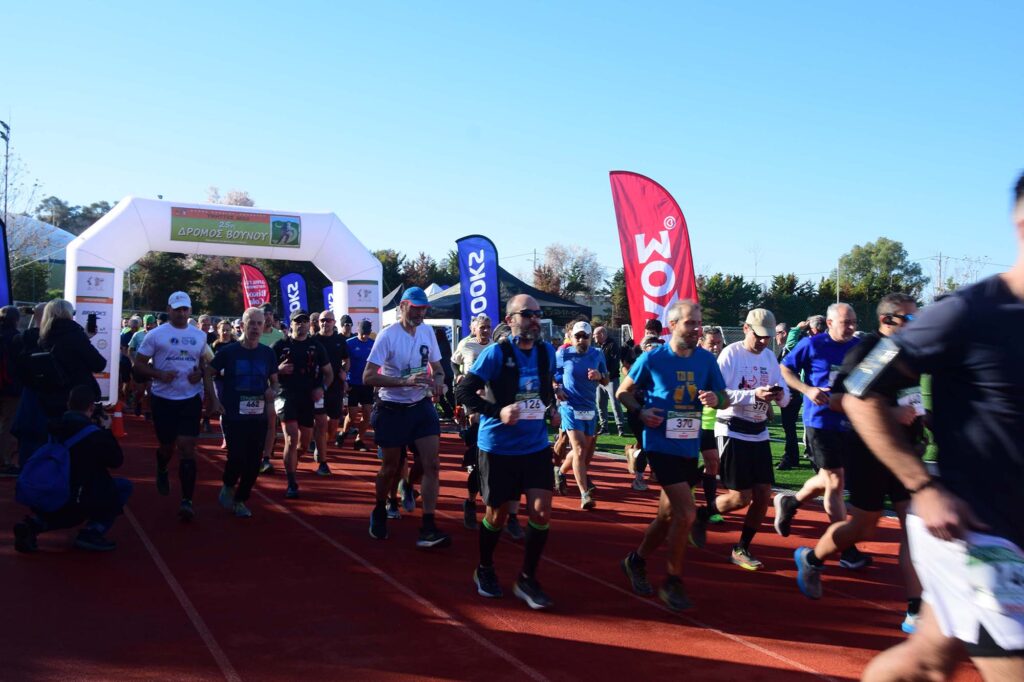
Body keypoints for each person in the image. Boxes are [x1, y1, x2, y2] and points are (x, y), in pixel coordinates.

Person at [843, 173, 1024, 682]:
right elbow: (860, 390)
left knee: (927, 661)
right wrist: (921, 486)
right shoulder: (967, 313)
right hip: (976, 528)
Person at [793, 295, 924, 624]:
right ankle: (813, 558)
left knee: (912, 524)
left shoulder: (909, 353)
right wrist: (892, 413)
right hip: (869, 450)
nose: (916, 325)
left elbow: (911, 400)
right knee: (864, 526)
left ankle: (915, 608)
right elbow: (840, 400)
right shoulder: (876, 352)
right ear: (887, 320)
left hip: (904, 452)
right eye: (909, 319)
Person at [617, 301, 727, 611]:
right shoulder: (653, 358)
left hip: (688, 447)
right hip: (660, 445)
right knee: (687, 513)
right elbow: (623, 391)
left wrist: (715, 398)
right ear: (673, 325)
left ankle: (635, 560)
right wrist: (641, 411)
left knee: (667, 517)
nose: (697, 329)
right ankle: (673, 581)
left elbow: (724, 398)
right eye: (690, 323)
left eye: (699, 323)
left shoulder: (706, 360)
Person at [456, 294, 559, 609]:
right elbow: (462, 390)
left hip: (535, 446)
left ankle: (527, 578)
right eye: (527, 314)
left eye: (538, 314)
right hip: (498, 447)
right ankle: (484, 567)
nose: (534, 320)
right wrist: (497, 411)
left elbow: (544, 390)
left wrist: (552, 409)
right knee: (497, 515)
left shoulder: (547, 352)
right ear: (510, 319)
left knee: (541, 511)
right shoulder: (496, 353)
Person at [777, 302, 872, 570]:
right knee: (835, 480)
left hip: (849, 422)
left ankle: (790, 501)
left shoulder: (859, 347)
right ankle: (846, 549)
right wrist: (807, 390)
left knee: (829, 478)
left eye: (854, 322)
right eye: (845, 322)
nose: (851, 327)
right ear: (829, 323)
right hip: (819, 421)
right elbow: (785, 369)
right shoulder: (812, 344)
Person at [701, 309, 790, 571]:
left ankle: (741, 548)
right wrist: (754, 395)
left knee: (763, 495)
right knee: (740, 498)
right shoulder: (731, 354)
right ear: (746, 329)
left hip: (759, 431)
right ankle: (700, 514)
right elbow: (719, 395)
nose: (763, 341)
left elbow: (784, 395)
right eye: (759, 336)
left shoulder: (770, 357)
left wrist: (779, 396)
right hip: (732, 429)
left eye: (768, 337)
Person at [363, 287, 450, 547]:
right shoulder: (388, 335)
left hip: (420, 405)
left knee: (430, 463)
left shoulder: (427, 332)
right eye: (415, 308)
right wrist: (404, 381)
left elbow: (438, 369)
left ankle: (428, 525)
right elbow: (368, 376)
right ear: (402, 306)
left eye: (424, 309)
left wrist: (439, 383)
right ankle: (380, 508)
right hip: (391, 408)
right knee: (390, 467)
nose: (420, 313)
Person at [13, 384, 132, 552]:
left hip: (48, 488)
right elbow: (116, 461)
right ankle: (93, 531)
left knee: (60, 507)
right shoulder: (94, 435)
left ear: (68, 404)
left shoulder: (53, 426)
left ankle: (35, 524)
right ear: (91, 408)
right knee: (123, 486)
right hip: (79, 495)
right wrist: (106, 431)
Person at [134, 292, 221, 521]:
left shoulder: (199, 336)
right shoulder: (156, 335)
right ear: (169, 310)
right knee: (167, 446)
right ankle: (162, 466)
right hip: (163, 399)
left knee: (187, 447)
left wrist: (201, 375)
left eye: (185, 309)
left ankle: (187, 501)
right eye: (177, 309)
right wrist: (158, 374)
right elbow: (138, 364)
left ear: (190, 310)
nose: (181, 313)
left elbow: (208, 364)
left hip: (190, 398)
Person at [212, 308, 278, 518]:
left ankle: (240, 500)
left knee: (254, 463)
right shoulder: (228, 352)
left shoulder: (267, 353)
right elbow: (208, 372)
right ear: (242, 326)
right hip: (233, 415)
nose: (256, 328)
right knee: (237, 457)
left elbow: (275, 382)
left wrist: (273, 391)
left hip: (258, 416)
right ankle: (228, 484)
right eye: (252, 323)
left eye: (259, 323)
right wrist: (214, 400)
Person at [272, 309, 332, 498]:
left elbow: (329, 373)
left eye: (305, 321)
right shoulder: (280, 345)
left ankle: (291, 461)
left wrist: (322, 388)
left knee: (304, 443)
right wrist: (278, 369)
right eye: (298, 321)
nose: (302, 325)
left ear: (309, 324)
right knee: (291, 438)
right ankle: (291, 482)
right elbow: (265, 372)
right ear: (291, 324)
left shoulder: (316, 346)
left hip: (308, 397)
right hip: (285, 395)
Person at [555, 321, 608, 510]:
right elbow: (552, 376)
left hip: (589, 407)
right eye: (577, 336)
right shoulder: (563, 354)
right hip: (569, 406)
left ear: (590, 337)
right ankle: (584, 494)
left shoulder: (597, 354)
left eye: (585, 336)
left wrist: (599, 376)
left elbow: (606, 379)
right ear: (571, 337)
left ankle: (560, 471)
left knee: (583, 450)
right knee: (578, 449)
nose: (581, 340)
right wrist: (556, 388)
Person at [34, 300, 107, 422]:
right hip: (78, 398)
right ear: (68, 314)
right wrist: (84, 339)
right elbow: (99, 364)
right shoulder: (75, 335)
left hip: (52, 397)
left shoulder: (43, 338)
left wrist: (84, 337)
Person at [312, 310, 349, 475]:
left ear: (334, 323)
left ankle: (323, 443)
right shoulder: (313, 340)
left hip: (335, 386)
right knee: (319, 419)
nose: (325, 323)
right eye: (322, 320)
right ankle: (320, 449)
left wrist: (344, 372)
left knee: (333, 423)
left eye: (328, 320)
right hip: (317, 386)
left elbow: (347, 359)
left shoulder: (340, 340)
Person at [697, 327, 725, 522]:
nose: (715, 347)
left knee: (716, 465)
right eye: (711, 343)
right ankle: (711, 508)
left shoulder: (727, 360)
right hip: (702, 422)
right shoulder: (697, 363)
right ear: (701, 343)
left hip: (723, 422)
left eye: (718, 343)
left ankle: (693, 479)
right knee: (713, 462)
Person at [258, 305, 285, 474]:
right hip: (253, 385)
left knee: (271, 421)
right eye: (264, 314)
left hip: (273, 386)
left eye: (270, 313)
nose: (268, 317)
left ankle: (266, 458)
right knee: (256, 423)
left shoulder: (280, 336)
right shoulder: (252, 334)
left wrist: (278, 371)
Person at [775, 321, 804, 470]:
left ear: (784, 333)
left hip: (792, 394)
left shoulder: (791, 348)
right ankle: (792, 456)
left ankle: (790, 457)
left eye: (777, 333)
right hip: (788, 393)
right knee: (788, 426)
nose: (775, 337)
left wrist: (797, 328)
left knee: (789, 426)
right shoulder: (785, 349)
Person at [342, 320, 375, 450]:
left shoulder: (373, 344)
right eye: (362, 333)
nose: (364, 336)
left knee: (367, 413)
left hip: (367, 383)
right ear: (358, 331)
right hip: (353, 383)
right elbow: (343, 362)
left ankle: (359, 440)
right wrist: (344, 381)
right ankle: (343, 432)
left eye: (367, 333)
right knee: (352, 415)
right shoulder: (349, 343)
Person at [0, 306, 23, 476]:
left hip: (6, 385)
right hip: (10, 388)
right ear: (16, 319)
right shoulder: (16, 338)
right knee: (8, 425)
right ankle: (4, 462)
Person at [593, 325, 625, 437]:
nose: (593, 337)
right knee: (600, 403)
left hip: (611, 380)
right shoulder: (598, 346)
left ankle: (620, 426)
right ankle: (604, 427)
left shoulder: (613, 345)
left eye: (595, 335)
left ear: (601, 334)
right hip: (600, 380)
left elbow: (614, 364)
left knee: (615, 403)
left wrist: (605, 375)